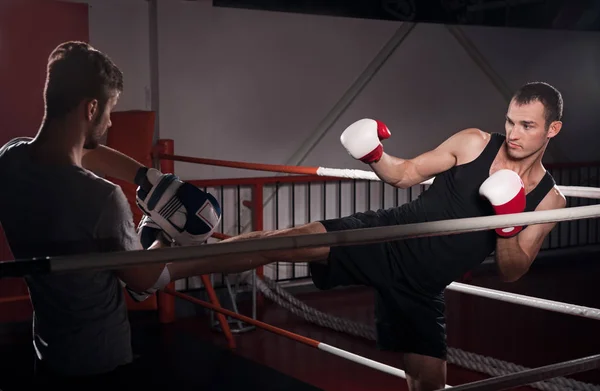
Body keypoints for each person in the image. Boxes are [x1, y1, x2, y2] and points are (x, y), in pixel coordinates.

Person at [142, 81, 566, 391]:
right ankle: (162, 270)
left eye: (527, 125)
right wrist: (375, 155)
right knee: (281, 241)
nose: (513, 133)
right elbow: (405, 174)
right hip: (386, 237)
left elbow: (513, 270)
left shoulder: (550, 202)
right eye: (510, 121)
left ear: (552, 130)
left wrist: (507, 223)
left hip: (422, 289)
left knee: (429, 383)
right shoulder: (474, 143)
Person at [0, 41, 200, 387]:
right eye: (110, 110)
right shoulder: (101, 197)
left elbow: (74, 153)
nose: (109, 121)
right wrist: (166, 231)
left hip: (48, 354)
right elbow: (142, 282)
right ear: (92, 107)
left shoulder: (9, 160)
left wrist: (145, 177)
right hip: (101, 361)